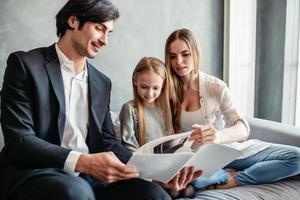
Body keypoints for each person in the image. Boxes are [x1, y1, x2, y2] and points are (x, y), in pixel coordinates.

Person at [0, 1, 172, 200]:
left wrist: (155, 172)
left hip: (89, 176)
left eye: (109, 32)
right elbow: (20, 141)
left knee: (155, 195)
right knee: (76, 192)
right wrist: (82, 161)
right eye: (100, 29)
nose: (105, 40)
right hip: (36, 171)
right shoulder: (25, 65)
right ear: (73, 21)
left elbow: (109, 142)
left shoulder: (102, 82)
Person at [164, 28, 300, 190]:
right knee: (192, 182)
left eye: (185, 54)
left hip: (225, 151)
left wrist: (218, 136)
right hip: (193, 158)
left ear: (195, 53)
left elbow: (243, 128)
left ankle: (234, 178)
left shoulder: (215, 87)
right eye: (173, 56)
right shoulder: (164, 90)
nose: (178, 61)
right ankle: (217, 175)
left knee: (297, 158)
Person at [119, 57, 201, 198]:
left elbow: (172, 144)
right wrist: (156, 177)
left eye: (155, 88)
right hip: (146, 171)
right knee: (173, 192)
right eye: (144, 87)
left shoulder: (165, 109)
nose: (150, 93)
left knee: (189, 189)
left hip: (167, 168)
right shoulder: (129, 109)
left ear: (163, 85)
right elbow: (129, 147)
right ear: (135, 81)